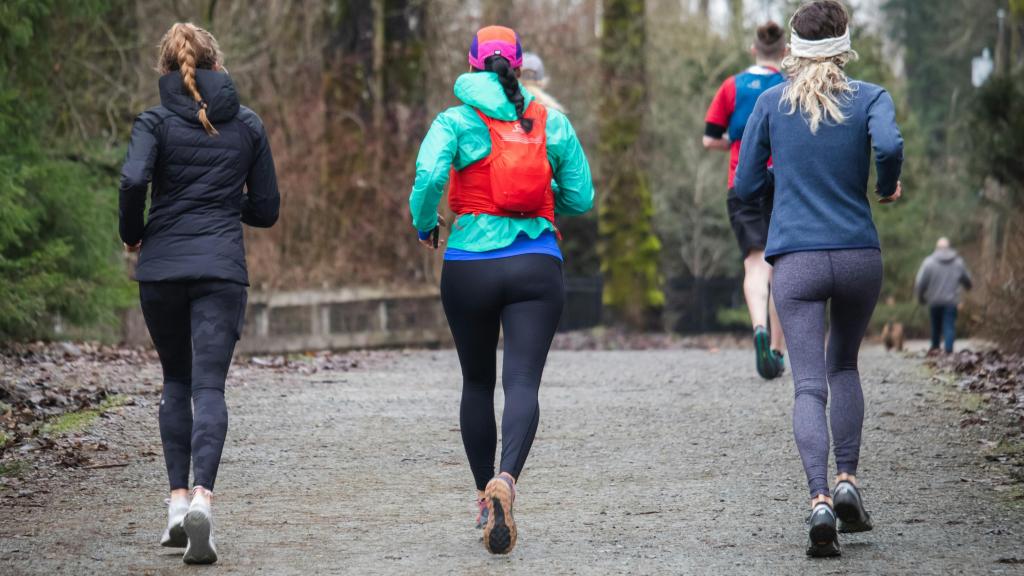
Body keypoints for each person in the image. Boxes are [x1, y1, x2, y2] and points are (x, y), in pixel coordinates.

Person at [408, 25, 593, 555]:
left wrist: (427, 222)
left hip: (469, 265)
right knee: (523, 382)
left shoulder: (455, 120)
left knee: (475, 384)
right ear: (517, 64)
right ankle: (506, 481)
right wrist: (544, 191)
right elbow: (582, 197)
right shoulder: (548, 120)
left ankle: (481, 497)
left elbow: (427, 175)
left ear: (471, 65)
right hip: (536, 262)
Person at [733, 0, 904, 557]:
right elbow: (892, 146)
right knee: (845, 364)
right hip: (857, 254)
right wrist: (886, 184)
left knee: (809, 385)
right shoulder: (870, 97)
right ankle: (850, 478)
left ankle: (820, 500)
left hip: (796, 260)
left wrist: (768, 199)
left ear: (793, 47)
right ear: (844, 42)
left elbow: (745, 183)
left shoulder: (771, 103)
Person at [119, 22, 279, 565]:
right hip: (220, 271)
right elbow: (266, 209)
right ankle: (204, 502)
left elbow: (132, 181)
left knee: (175, 380)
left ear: (167, 68)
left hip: (162, 268)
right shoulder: (249, 125)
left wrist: (132, 232)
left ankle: (175, 506)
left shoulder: (154, 122)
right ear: (217, 65)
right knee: (208, 386)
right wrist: (220, 205)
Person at [703, 21, 788, 380]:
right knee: (782, 266)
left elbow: (709, 138)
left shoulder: (731, 86)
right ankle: (777, 352)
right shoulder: (789, 86)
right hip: (783, 183)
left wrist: (735, 144)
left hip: (741, 182)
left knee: (755, 265)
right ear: (784, 52)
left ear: (753, 49)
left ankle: (758, 330)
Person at [915, 237, 973, 354]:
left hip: (934, 301)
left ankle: (935, 350)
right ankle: (948, 352)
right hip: (951, 302)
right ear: (949, 248)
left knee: (935, 327)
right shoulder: (958, 262)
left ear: (937, 248)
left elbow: (920, 283)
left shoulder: (928, 262)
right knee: (949, 326)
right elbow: (967, 279)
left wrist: (921, 298)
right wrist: (968, 286)